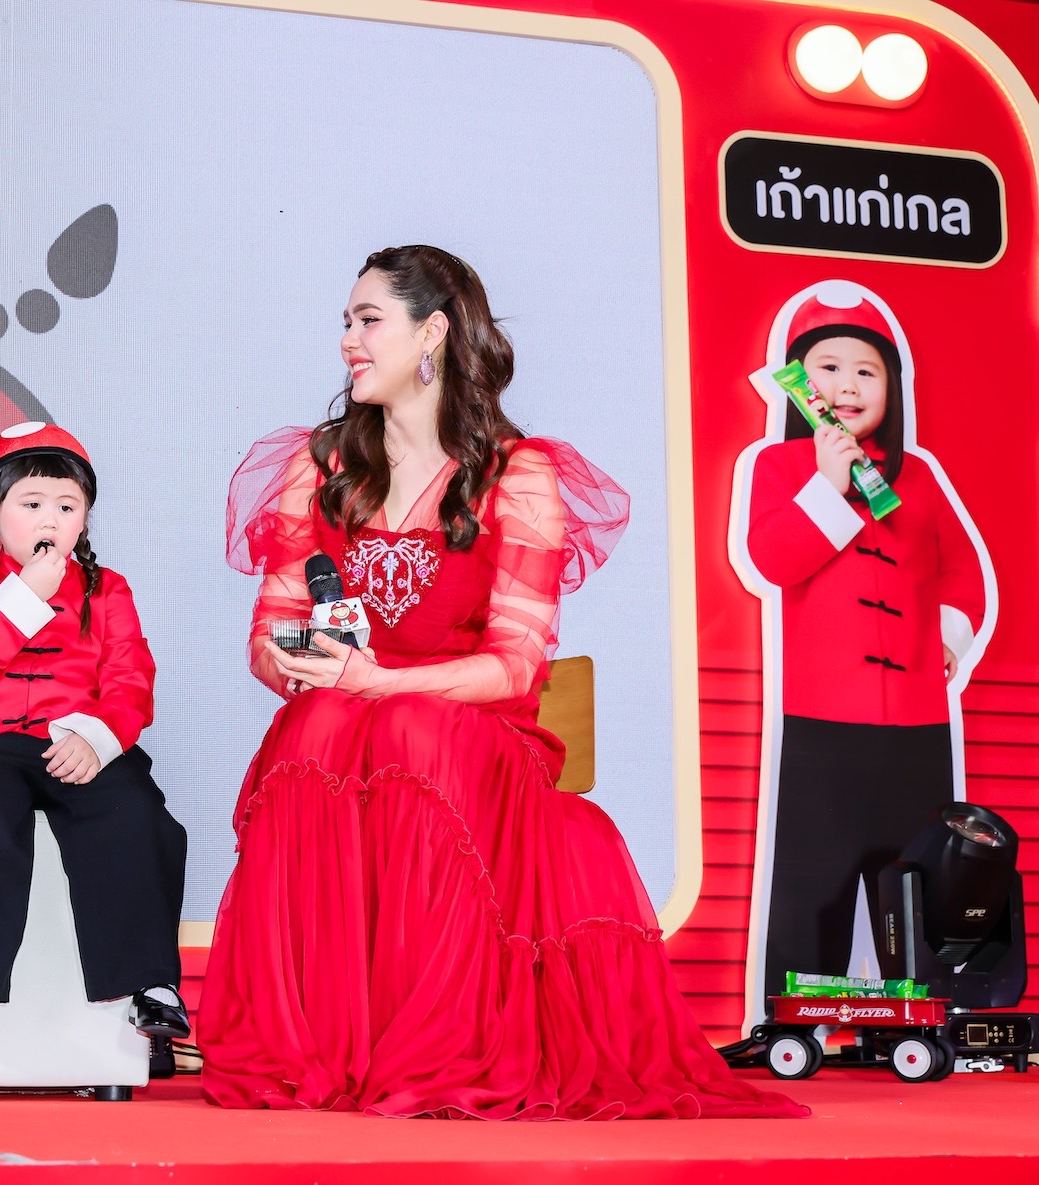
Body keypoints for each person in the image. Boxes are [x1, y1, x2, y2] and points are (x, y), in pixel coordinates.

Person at [198, 245, 806, 1119]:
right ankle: (319, 1047)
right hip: (352, 710)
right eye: (345, 322)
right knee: (316, 723)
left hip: (476, 731)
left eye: (368, 320)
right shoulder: (320, 466)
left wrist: (380, 681)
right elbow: (271, 629)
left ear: (432, 333)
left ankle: (431, 1042)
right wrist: (294, 659)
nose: (348, 341)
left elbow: (517, 664)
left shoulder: (518, 474)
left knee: (405, 727)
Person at [741, 284, 989, 1005]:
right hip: (821, 718)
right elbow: (774, 561)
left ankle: (928, 1010)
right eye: (828, 368)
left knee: (919, 878)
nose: (847, 386)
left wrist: (948, 632)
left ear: (891, 387)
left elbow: (960, 569)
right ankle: (796, 1018)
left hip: (917, 720)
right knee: (812, 878)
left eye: (866, 371)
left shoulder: (921, 475)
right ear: (799, 382)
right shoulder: (777, 467)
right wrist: (826, 483)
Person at [0, 422, 189, 1039]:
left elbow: (131, 678)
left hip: (79, 742)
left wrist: (98, 739)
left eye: (67, 507)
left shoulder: (107, 588)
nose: (50, 520)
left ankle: (150, 984)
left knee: (134, 812)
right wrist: (25, 597)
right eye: (32, 504)